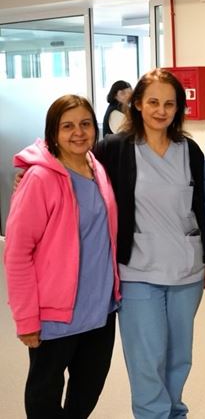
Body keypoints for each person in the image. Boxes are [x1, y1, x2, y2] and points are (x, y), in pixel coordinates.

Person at [94, 69, 205, 418]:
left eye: (169, 104)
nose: (161, 111)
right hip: (137, 271)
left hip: (186, 270)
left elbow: (202, 206)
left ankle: (175, 412)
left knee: (179, 357)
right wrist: (30, 174)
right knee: (147, 359)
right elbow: (75, 172)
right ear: (137, 104)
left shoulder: (188, 150)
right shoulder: (114, 149)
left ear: (178, 108)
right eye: (153, 102)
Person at [4, 94, 121, 419]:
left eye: (85, 124)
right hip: (56, 314)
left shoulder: (96, 167)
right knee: (44, 396)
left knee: (87, 391)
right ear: (53, 132)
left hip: (100, 309)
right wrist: (26, 319)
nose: (78, 132)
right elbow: (17, 254)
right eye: (67, 126)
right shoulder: (39, 179)